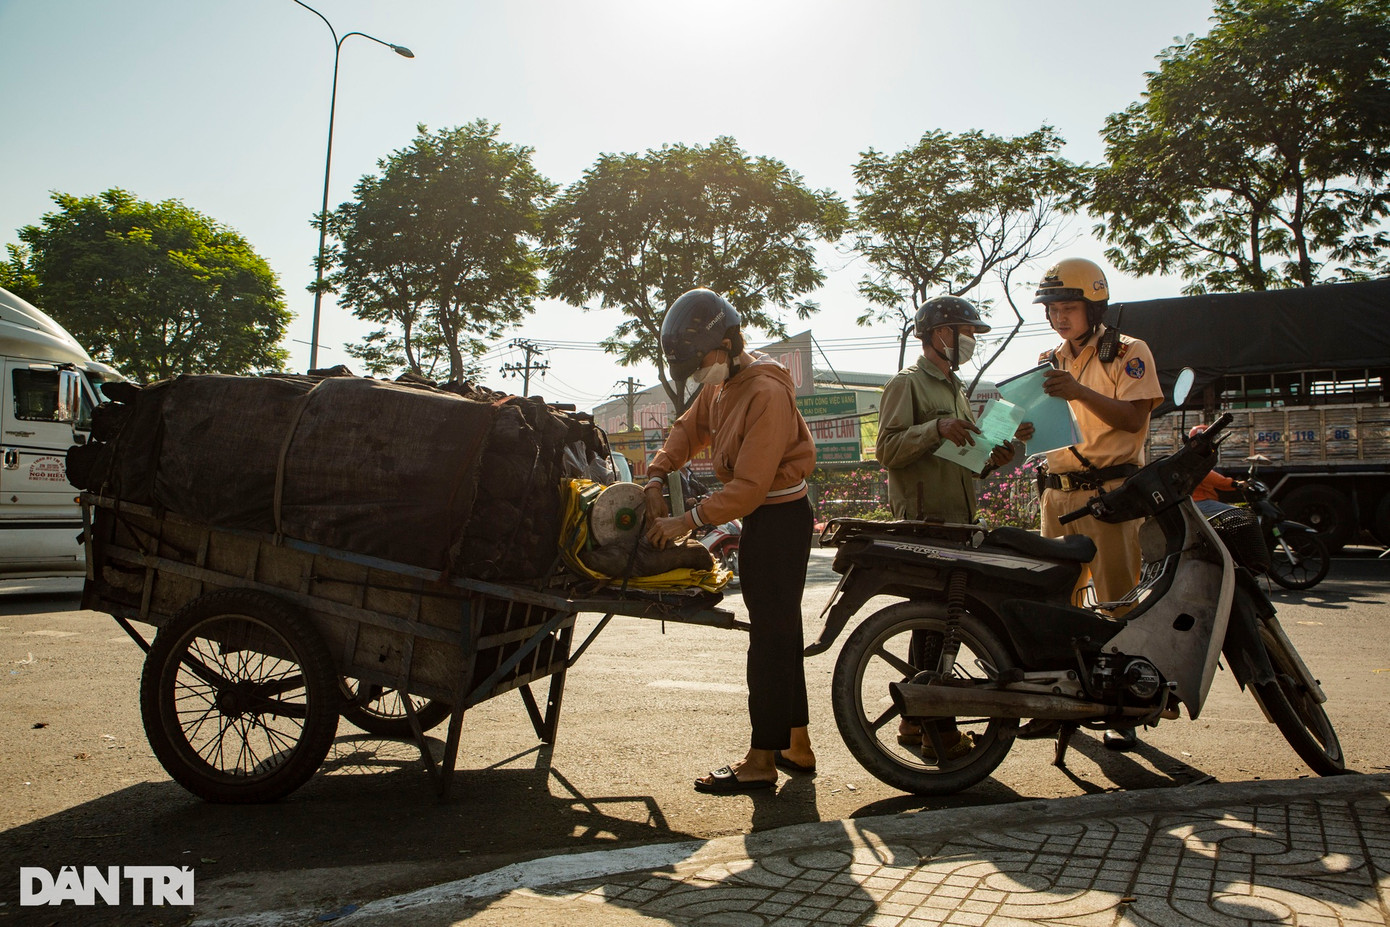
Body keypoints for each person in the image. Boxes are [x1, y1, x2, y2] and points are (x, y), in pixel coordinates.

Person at [643, 288, 818, 794]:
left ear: (729, 341)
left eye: (701, 364)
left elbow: (749, 487)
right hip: (764, 517)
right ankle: (796, 745)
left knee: (768, 640)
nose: (700, 375)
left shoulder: (765, 391)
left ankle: (761, 761)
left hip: (780, 518)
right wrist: (656, 473)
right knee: (781, 633)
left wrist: (687, 521)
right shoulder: (723, 382)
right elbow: (689, 427)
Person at [875, 295, 1032, 759]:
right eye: (965, 332)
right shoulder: (907, 383)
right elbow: (886, 449)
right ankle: (936, 730)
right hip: (926, 523)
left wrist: (994, 457)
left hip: (957, 522)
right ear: (938, 335)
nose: (969, 341)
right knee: (934, 624)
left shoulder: (956, 388)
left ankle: (912, 720)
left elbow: (962, 461)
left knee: (935, 625)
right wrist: (936, 428)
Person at [1032, 257, 1163, 751]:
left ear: (1094, 304)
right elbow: (1039, 422)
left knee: (1117, 600)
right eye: (1052, 309)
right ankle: (1056, 700)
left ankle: (1122, 709)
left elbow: (1132, 420)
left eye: (1068, 307)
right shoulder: (1051, 358)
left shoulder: (1129, 352)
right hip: (1057, 491)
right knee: (1053, 601)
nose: (1059, 317)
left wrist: (1079, 391)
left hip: (1109, 492)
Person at [1189, 424, 1245, 517]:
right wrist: (1234, 483)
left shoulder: (1193, 455)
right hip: (1200, 501)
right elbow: (1211, 477)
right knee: (1241, 514)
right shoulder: (1197, 458)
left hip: (1197, 500)